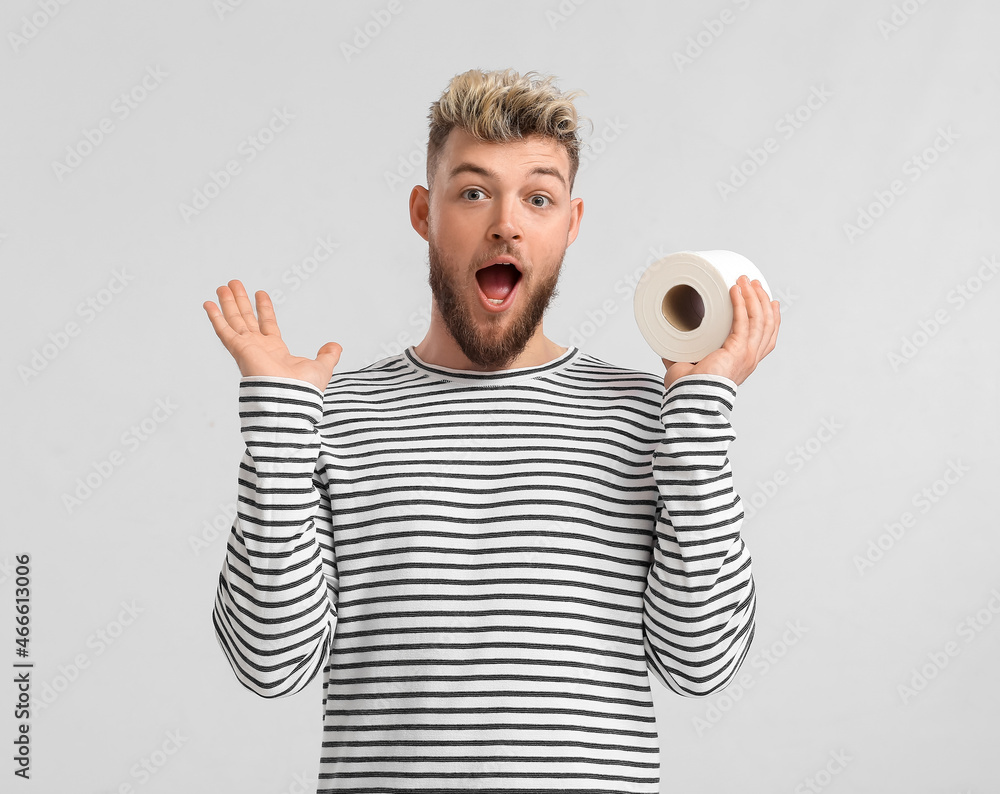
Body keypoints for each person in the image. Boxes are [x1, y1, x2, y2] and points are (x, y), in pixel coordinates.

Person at [203, 68, 780, 793]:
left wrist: (699, 417)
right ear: (424, 211)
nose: (506, 222)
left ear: (570, 224)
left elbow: (702, 664)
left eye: (538, 197)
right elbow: (268, 662)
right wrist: (281, 435)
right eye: (473, 192)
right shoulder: (328, 415)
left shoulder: (653, 416)